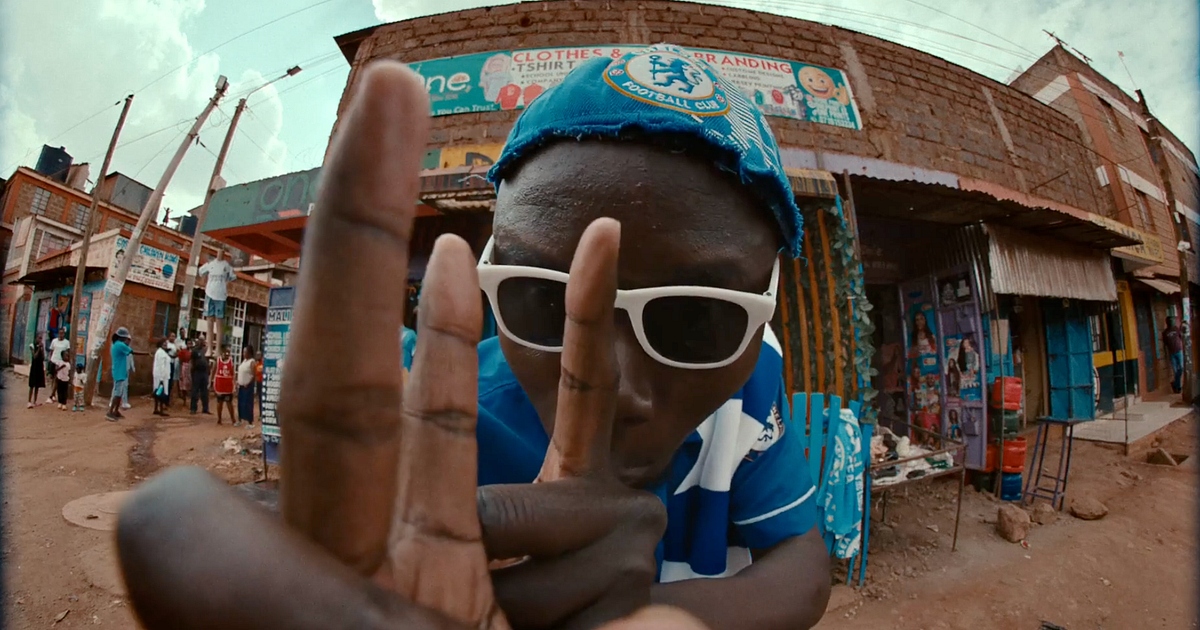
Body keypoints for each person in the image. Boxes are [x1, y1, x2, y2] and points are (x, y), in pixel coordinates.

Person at [113, 55, 829, 630]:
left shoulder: (750, 386)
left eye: (698, 319)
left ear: (761, 314)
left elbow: (802, 558)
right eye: (542, 300)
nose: (623, 392)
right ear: (490, 278)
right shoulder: (425, 418)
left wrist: (650, 616)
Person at [199, 251, 237, 357]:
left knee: (219, 322)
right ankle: (209, 348)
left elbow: (232, 277)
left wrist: (226, 285)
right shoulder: (210, 264)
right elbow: (201, 272)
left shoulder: (227, 266)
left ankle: (218, 349)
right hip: (209, 294)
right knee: (209, 321)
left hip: (221, 296)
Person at [107, 327, 134, 422]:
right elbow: (131, 351)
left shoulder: (116, 344)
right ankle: (110, 412)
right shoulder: (120, 345)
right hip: (119, 371)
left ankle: (116, 411)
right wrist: (147, 354)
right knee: (117, 393)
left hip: (119, 370)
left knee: (120, 392)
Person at [211, 347, 236, 425]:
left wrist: (234, 384)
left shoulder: (231, 361)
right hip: (220, 386)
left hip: (228, 386)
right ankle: (219, 419)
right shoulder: (218, 361)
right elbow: (213, 371)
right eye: (226, 352)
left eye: (229, 352)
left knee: (229, 403)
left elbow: (233, 373)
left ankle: (233, 419)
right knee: (220, 402)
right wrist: (211, 381)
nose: (227, 354)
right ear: (222, 352)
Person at [46, 328, 70, 405]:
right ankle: (53, 394)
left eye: (62, 333)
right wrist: (49, 360)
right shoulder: (54, 341)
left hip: (60, 362)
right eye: (60, 333)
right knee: (53, 378)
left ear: (64, 334)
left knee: (57, 379)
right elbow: (51, 351)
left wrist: (66, 362)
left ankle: (51, 395)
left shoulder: (66, 342)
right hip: (53, 361)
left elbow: (67, 352)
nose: (61, 335)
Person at [1163, 315, 1185, 394]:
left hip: (1179, 351)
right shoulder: (1165, 332)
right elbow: (1165, 344)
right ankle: (1178, 387)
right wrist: (1166, 354)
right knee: (1175, 371)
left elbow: (1181, 337)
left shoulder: (1176, 329)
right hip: (1172, 353)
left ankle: (1175, 384)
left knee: (1181, 368)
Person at [236, 345, 257, 427]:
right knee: (240, 403)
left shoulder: (252, 362)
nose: (243, 353)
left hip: (247, 386)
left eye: (245, 352)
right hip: (241, 386)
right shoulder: (244, 361)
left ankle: (249, 421)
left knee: (247, 404)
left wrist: (248, 383)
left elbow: (253, 375)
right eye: (243, 352)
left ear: (249, 353)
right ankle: (240, 419)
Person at [152, 338, 172, 417]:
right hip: (162, 376)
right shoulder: (161, 353)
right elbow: (161, 366)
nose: (165, 344)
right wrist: (161, 378)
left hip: (161, 375)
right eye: (163, 343)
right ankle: (161, 410)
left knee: (158, 392)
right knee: (161, 393)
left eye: (166, 343)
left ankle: (156, 408)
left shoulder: (161, 352)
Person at [190, 345, 211, 415]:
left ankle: (205, 408)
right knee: (195, 391)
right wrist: (192, 372)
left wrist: (208, 371)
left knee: (205, 392)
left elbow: (207, 362)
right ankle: (193, 408)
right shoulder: (195, 351)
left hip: (204, 372)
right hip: (197, 372)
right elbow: (192, 362)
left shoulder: (205, 351)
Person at [28, 334, 46, 408]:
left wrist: (42, 349)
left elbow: (43, 357)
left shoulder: (41, 347)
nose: (40, 340)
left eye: (41, 338)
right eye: (39, 338)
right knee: (32, 384)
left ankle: (35, 401)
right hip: (34, 366)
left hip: (39, 366)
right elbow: (34, 356)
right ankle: (29, 401)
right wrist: (38, 349)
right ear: (36, 338)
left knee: (37, 385)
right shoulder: (32, 346)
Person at [177, 339, 193, 409]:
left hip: (191, 368)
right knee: (184, 384)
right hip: (184, 367)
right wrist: (180, 372)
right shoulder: (183, 351)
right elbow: (180, 362)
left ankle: (189, 399)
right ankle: (184, 399)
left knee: (190, 384)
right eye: (188, 343)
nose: (189, 345)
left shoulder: (193, 351)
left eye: (190, 343)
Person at [254, 350, 264, 418]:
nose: (257, 356)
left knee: (263, 398)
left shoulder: (264, 363)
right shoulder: (256, 364)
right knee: (260, 398)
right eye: (257, 355)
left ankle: (263, 413)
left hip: (263, 382)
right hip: (258, 383)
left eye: (259, 355)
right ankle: (260, 414)